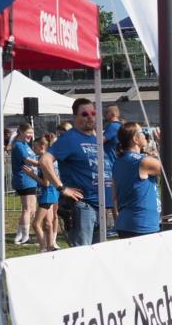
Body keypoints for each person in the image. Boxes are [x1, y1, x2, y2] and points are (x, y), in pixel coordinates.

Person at [40, 98, 102, 247]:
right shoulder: (70, 138)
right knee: (82, 257)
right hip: (83, 206)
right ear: (75, 117)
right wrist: (61, 188)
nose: (90, 117)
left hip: (101, 205)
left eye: (93, 113)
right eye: (85, 114)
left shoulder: (97, 138)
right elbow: (45, 161)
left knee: (99, 257)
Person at [113, 122, 161, 238]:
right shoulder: (143, 161)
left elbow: (114, 196)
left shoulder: (117, 162)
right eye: (142, 132)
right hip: (143, 224)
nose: (145, 135)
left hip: (125, 223)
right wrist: (162, 143)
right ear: (135, 139)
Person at [10, 123, 40, 244]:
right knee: (28, 209)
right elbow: (27, 160)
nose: (30, 135)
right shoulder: (18, 145)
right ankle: (26, 237)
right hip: (24, 179)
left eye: (31, 133)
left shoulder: (25, 144)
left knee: (31, 209)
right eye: (28, 133)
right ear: (21, 132)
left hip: (31, 179)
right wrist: (41, 163)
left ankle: (20, 235)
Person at [32, 136, 60, 252]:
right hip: (49, 194)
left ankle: (43, 247)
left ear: (42, 147)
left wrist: (31, 175)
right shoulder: (46, 158)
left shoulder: (44, 159)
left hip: (47, 195)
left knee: (36, 224)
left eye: (34, 147)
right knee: (47, 223)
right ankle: (50, 247)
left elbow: (46, 183)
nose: (33, 149)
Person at [103, 105, 123, 227]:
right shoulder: (121, 127)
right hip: (117, 164)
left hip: (110, 166)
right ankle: (118, 224)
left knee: (112, 198)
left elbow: (99, 141)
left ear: (112, 114)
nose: (104, 115)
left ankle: (117, 225)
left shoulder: (112, 126)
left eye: (106, 112)